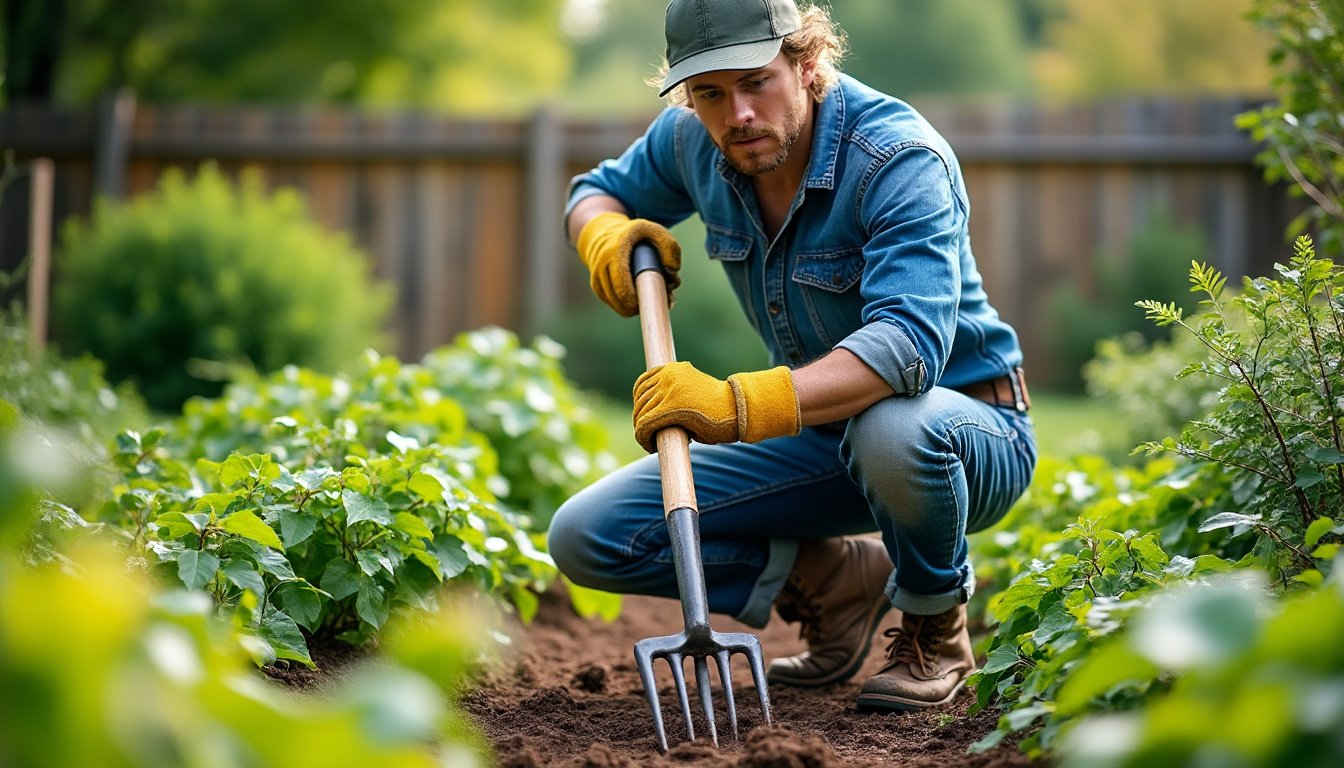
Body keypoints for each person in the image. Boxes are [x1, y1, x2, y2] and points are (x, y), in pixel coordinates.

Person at [548, 0, 1036, 712]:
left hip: (963, 436)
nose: (736, 113)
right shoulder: (694, 141)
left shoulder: (897, 159)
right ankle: (838, 582)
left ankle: (937, 625)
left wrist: (734, 405)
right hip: (823, 440)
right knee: (590, 537)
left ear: (808, 64)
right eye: (709, 93)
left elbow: (907, 350)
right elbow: (594, 194)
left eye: (756, 82)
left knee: (892, 427)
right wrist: (605, 240)